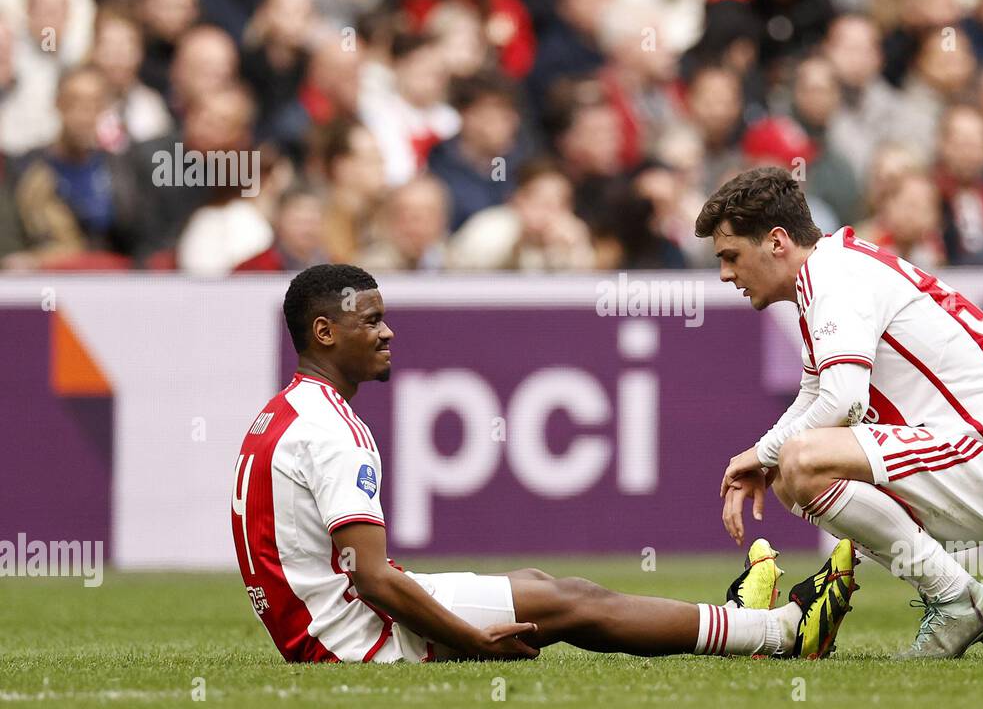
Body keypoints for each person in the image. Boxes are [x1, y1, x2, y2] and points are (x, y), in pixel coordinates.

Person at [231, 264, 857, 663]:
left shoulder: (284, 413)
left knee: (540, 581)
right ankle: (778, 631)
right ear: (324, 331)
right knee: (575, 600)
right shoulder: (334, 429)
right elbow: (371, 579)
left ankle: (742, 622)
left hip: (319, 631)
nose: (389, 332)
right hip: (357, 640)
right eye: (371, 321)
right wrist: (467, 639)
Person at [697, 167, 983, 660]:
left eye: (731, 256)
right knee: (791, 471)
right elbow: (816, 392)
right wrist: (762, 457)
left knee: (801, 461)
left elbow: (844, 401)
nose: (726, 274)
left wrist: (764, 453)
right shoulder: (831, 269)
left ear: (777, 241)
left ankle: (955, 599)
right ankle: (952, 597)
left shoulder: (836, 277)